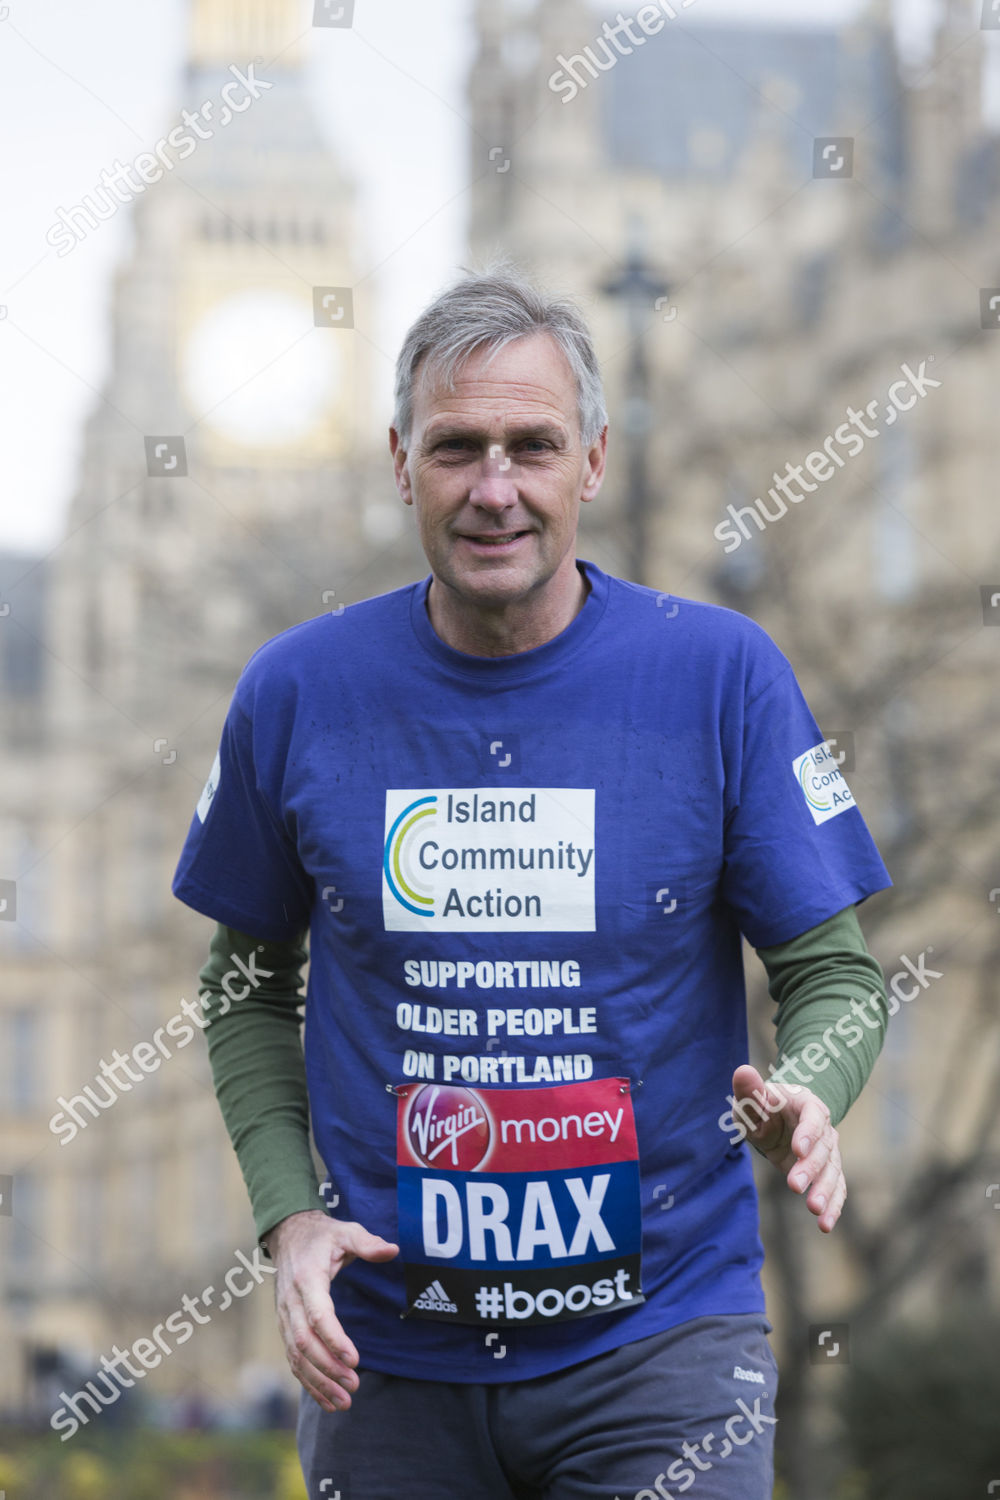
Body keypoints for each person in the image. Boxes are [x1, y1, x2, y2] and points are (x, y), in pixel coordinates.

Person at [172, 263, 891, 1500]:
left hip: (661, 1350)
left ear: (592, 463)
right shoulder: (294, 693)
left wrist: (811, 1094)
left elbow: (834, 976)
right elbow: (243, 989)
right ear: (401, 459)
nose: (494, 489)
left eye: (531, 446)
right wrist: (288, 1218)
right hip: (383, 1367)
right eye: (457, 448)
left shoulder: (722, 677)